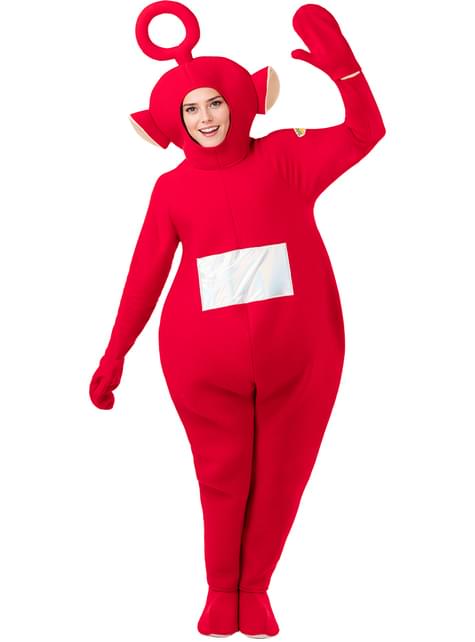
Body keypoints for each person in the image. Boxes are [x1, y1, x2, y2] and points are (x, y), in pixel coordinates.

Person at [89, 1, 386, 638]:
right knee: (222, 478)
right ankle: (221, 589)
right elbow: (146, 275)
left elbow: (366, 133)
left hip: (300, 353)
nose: (205, 118)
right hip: (202, 362)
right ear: (172, 122)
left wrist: (345, 70)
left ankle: (255, 590)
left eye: (215, 103)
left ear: (239, 102)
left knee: (282, 476)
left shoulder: (285, 157)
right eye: (190, 109)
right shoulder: (171, 190)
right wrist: (115, 354)